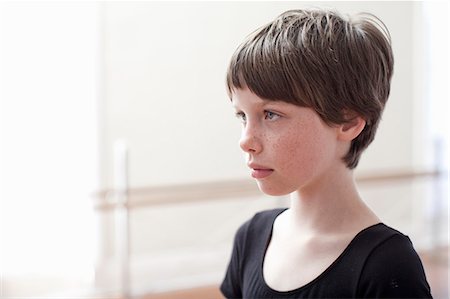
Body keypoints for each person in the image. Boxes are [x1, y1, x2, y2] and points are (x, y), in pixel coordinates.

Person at [220, 8, 432, 299]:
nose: (246, 140)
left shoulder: (387, 266)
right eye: (242, 116)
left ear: (348, 121)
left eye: (270, 114)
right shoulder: (251, 237)